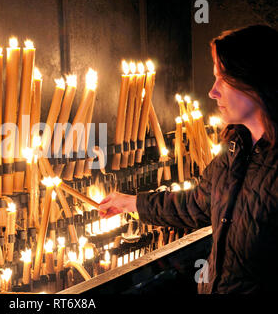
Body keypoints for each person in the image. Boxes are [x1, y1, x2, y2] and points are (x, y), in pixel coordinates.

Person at [98, 24, 278, 294]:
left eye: (223, 79)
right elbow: (198, 202)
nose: (213, 92)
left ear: (255, 81)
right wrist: (132, 203)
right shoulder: (235, 148)